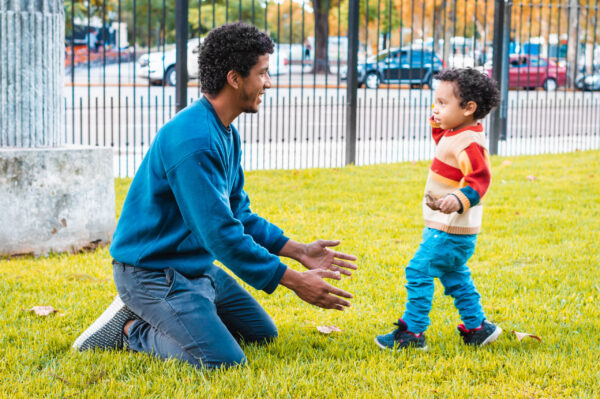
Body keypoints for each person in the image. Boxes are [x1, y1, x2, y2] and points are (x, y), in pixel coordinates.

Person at [72, 22, 357, 369]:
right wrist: (295, 281)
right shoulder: (194, 141)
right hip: (150, 273)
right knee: (223, 361)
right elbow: (222, 236)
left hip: (193, 268)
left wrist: (299, 251)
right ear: (235, 78)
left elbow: (238, 214)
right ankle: (131, 328)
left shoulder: (225, 134)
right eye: (262, 73)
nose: (269, 83)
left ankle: (184, 310)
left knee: (261, 333)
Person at [374, 68, 501, 351]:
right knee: (454, 275)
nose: (436, 108)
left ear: (469, 108)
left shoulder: (470, 143)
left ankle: (412, 334)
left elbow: (480, 178)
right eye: (436, 101)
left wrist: (459, 199)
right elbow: (443, 143)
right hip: (449, 230)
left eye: (443, 104)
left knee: (417, 270)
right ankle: (478, 327)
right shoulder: (457, 133)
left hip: (449, 230)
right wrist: (438, 120)